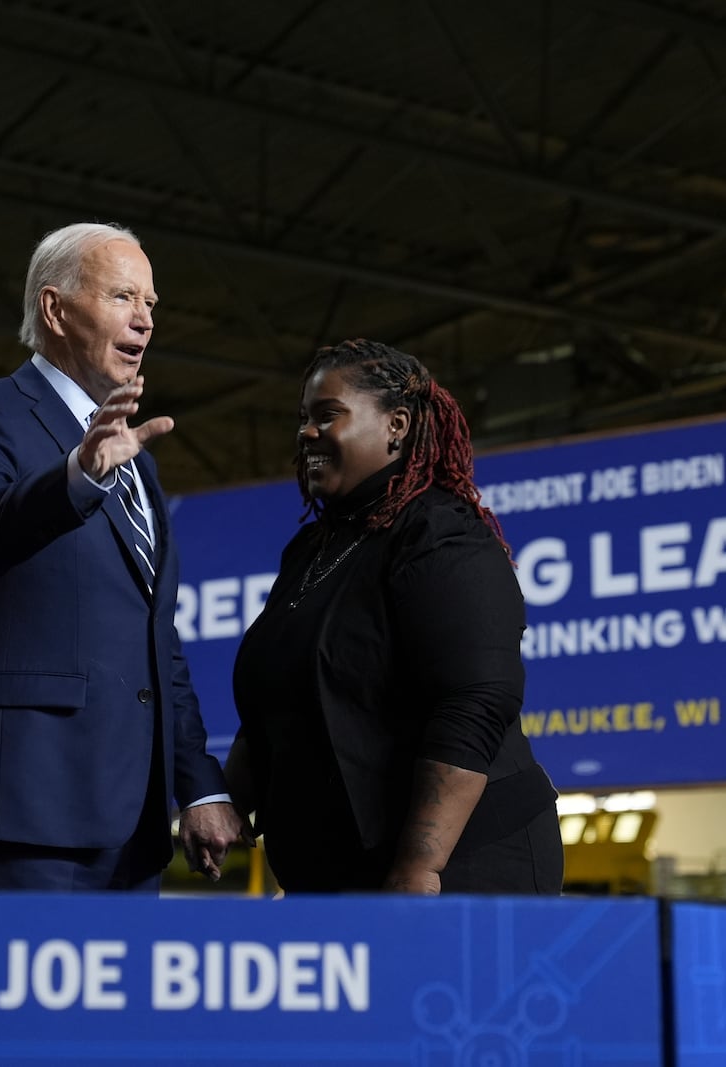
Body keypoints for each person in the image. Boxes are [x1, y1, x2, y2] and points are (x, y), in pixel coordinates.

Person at [0, 221, 245, 891]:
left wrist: (197, 784)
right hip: (25, 804)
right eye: (123, 296)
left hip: (132, 823)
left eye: (151, 303)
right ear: (56, 309)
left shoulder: (136, 463)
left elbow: (156, 642)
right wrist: (76, 477)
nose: (145, 321)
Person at [226, 338, 562, 895]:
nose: (306, 433)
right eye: (302, 419)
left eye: (326, 416)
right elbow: (275, 707)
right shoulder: (310, 551)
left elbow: (475, 701)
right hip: (343, 872)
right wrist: (227, 805)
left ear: (397, 425)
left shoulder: (440, 532)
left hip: (463, 865)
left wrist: (419, 866)